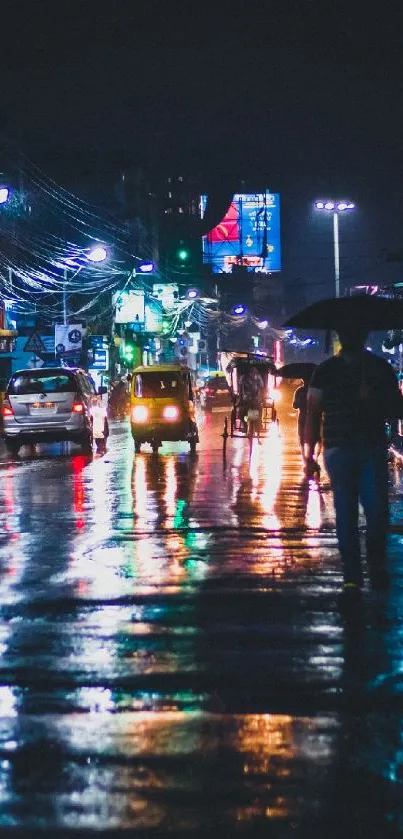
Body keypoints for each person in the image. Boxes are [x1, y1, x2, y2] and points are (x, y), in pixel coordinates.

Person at [304, 325, 403, 600]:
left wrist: (309, 456)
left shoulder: (329, 370)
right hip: (358, 448)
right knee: (372, 511)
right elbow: (397, 407)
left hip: (346, 449)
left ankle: (356, 575)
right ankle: (366, 571)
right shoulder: (377, 367)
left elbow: (313, 414)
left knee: (353, 513)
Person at [293, 378, 321, 474]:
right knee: (316, 438)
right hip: (314, 417)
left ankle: (307, 460)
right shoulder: (316, 390)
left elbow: (295, 405)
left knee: (302, 439)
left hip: (303, 418)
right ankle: (313, 460)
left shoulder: (300, 391)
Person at [238, 365, 265, 436]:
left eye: (254, 372)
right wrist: (240, 399)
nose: (253, 374)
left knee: (258, 413)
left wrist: (262, 398)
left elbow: (262, 387)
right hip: (246, 399)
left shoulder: (258, 378)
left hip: (255, 400)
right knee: (241, 413)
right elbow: (240, 389)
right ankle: (245, 425)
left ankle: (258, 426)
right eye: (251, 372)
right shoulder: (243, 378)